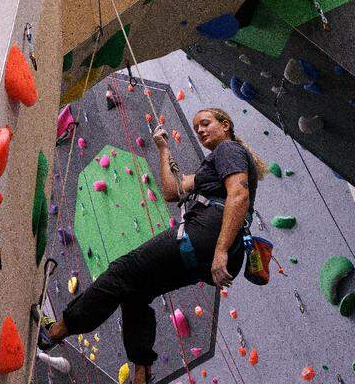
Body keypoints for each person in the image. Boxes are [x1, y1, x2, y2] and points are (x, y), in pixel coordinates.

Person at [34, 107, 268, 384]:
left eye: (205, 124)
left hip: (204, 239)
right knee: (136, 293)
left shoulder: (229, 150)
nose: (201, 131)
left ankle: (55, 331)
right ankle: (141, 374)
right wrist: (163, 148)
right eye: (196, 129)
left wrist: (220, 250)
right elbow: (173, 190)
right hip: (202, 253)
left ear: (225, 125)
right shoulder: (215, 164)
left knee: (121, 272)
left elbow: (239, 195)